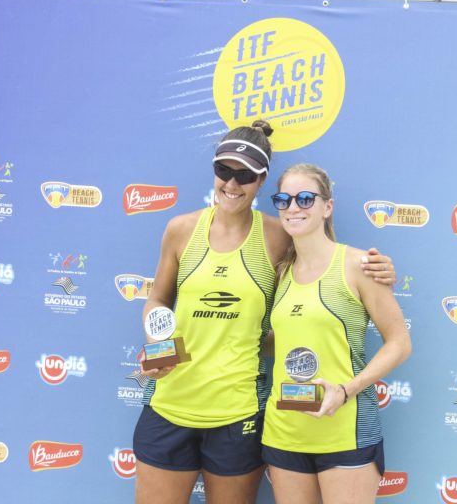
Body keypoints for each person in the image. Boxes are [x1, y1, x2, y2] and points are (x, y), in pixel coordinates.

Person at [133, 121, 398, 504]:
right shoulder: (180, 229)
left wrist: (378, 271)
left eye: (245, 175)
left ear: (260, 181)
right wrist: (156, 341)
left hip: (239, 411)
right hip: (168, 403)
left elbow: (323, 264)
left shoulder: (278, 237)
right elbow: (156, 301)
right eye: (224, 170)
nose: (232, 183)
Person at [262, 164, 412, 504]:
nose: (293, 207)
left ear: (327, 207)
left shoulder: (360, 265)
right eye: (284, 200)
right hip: (284, 432)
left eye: (305, 198)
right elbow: (281, 342)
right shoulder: (280, 272)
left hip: (346, 431)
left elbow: (400, 343)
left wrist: (345, 391)